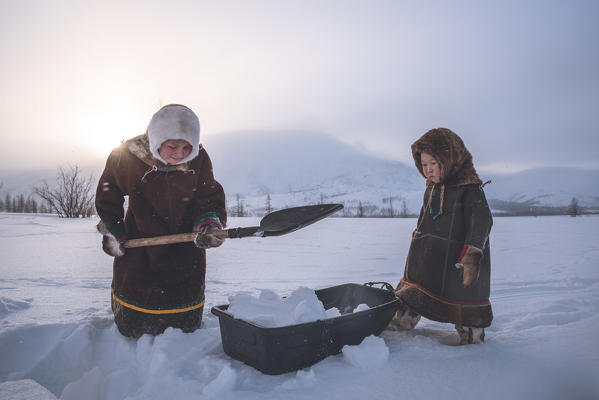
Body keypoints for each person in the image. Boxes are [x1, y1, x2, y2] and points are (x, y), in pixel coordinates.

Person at [95, 104, 227, 338]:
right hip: (140, 244)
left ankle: (184, 327)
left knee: (184, 322)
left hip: (185, 248)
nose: (180, 153)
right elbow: (109, 188)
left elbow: (209, 197)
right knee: (136, 312)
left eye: (187, 146)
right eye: (172, 146)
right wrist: (114, 227)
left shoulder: (199, 160)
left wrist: (209, 223)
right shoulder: (129, 156)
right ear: (157, 139)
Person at [388, 128, 493, 345]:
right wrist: (418, 235)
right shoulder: (433, 188)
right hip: (428, 254)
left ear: (450, 159)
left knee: (463, 300)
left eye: (433, 163)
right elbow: (425, 216)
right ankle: (402, 321)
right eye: (423, 164)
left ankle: (472, 335)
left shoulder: (470, 189)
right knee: (414, 291)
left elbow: (482, 222)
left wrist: (472, 251)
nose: (427, 170)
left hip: (458, 257)